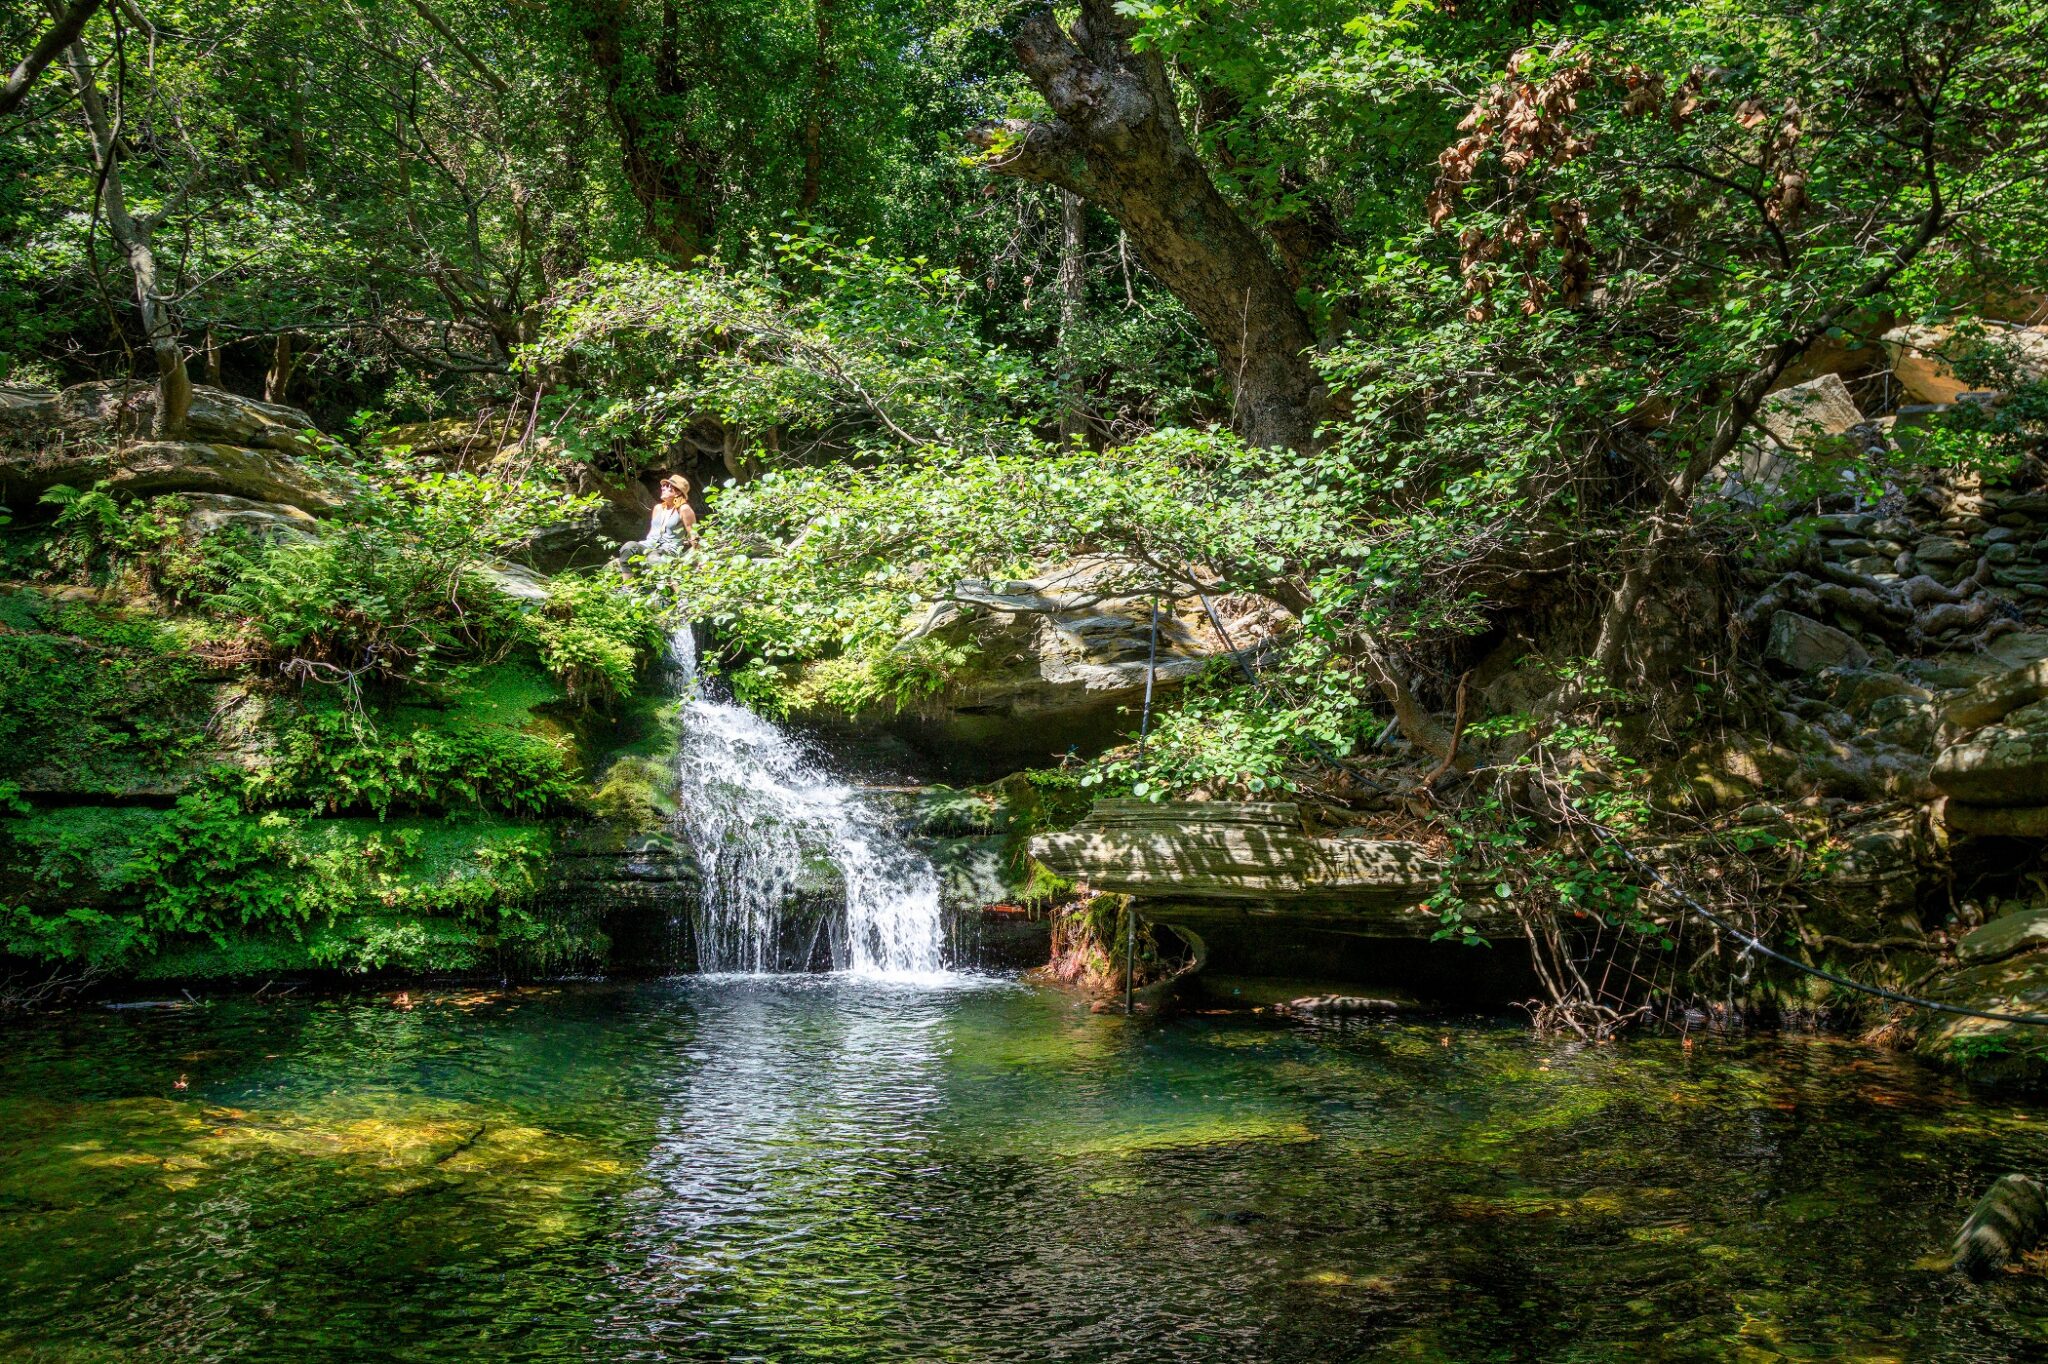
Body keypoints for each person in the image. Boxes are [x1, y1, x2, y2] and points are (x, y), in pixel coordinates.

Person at [648, 474, 700, 553]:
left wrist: (700, 558)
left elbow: (693, 534)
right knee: (630, 546)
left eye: (667, 486)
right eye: (663, 485)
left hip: (669, 549)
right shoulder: (658, 508)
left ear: (678, 492)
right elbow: (652, 532)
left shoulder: (684, 509)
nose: (663, 488)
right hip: (649, 545)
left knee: (654, 556)